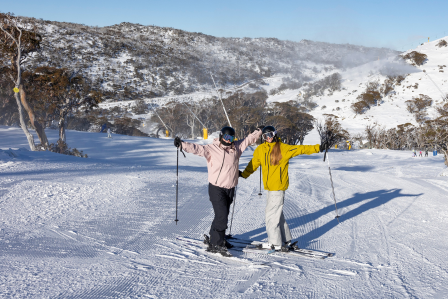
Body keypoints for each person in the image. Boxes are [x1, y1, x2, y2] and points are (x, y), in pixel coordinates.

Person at [174, 126, 262, 257]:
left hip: (230, 188)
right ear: (221, 136)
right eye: (226, 137)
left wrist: (259, 130)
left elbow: (250, 139)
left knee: (222, 215)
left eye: (231, 138)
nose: (228, 140)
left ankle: (215, 237)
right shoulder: (212, 149)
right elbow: (197, 148)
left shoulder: (237, 147)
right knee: (222, 215)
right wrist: (182, 144)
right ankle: (216, 244)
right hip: (216, 188)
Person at [239, 126, 325, 251]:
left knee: (271, 216)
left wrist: (318, 147)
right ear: (263, 137)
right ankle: (285, 239)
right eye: (265, 136)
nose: (269, 138)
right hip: (270, 188)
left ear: (275, 134)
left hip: (278, 188)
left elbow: (301, 149)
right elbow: (253, 164)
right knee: (277, 215)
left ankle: (275, 243)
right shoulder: (260, 150)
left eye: (271, 134)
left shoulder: (283, 148)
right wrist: (243, 174)